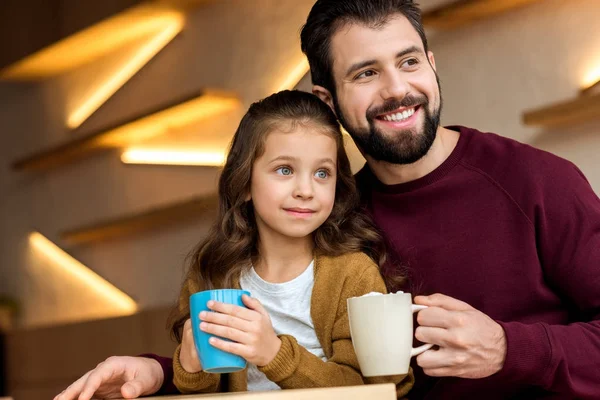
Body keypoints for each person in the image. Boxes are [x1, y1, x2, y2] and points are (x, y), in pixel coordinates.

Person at [55, 0, 600, 399]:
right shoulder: (326, 215)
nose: (396, 89)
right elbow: (273, 358)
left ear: (432, 65)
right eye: (366, 73)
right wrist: (158, 372)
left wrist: (510, 349)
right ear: (327, 98)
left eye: (409, 62)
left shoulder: (537, 182)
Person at [55, 90, 414, 400]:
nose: (306, 189)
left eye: (322, 173)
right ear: (244, 183)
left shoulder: (352, 273)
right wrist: (189, 366)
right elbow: (200, 391)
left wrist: (273, 352)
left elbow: (369, 390)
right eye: (285, 169)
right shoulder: (214, 274)